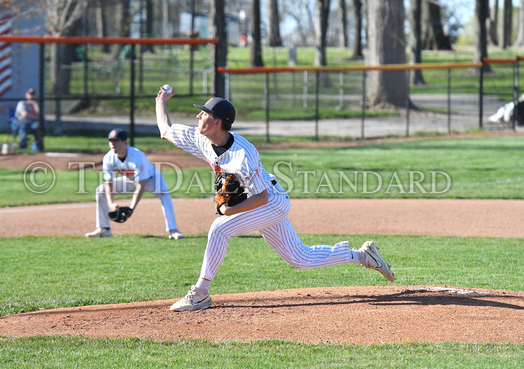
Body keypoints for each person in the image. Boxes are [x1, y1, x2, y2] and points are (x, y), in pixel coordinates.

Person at [155, 88, 396, 312]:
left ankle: (200, 294)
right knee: (300, 258)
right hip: (256, 204)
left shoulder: (244, 153)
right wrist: (160, 101)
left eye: (204, 113)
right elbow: (165, 129)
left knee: (219, 229)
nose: (198, 116)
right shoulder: (203, 139)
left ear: (217, 122)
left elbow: (262, 197)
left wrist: (229, 211)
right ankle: (364, 256)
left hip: (271, 203)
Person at [85, 128, 185, 240]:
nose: (112, 144)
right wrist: (111, 204)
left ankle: (173, 230)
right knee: (101, 190)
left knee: (164, 193)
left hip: (152, 179)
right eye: (110, 141)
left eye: (116, 141)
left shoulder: (137, 156)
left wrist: (131, 208)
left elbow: (141, 184)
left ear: (124, 142)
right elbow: (110, 183)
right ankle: (104, 229)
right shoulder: (108, 158)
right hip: (130, 180)